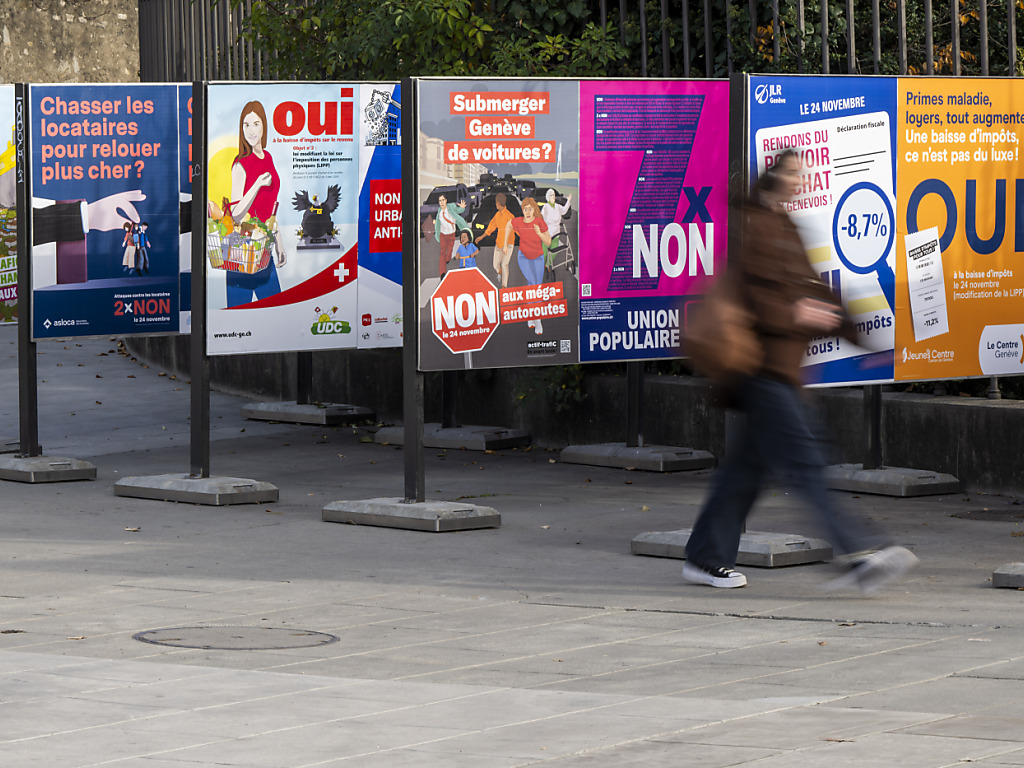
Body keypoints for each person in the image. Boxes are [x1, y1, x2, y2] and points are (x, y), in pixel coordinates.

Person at [682, 149, 918, 595]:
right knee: (807, 463)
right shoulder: (752, 225)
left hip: (780, 371)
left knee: (745, 472)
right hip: (759, 367)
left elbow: (815, 289)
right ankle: (857, 554)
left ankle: (704, 557)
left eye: (801, 173)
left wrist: (862, 338)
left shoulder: (785, 225)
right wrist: (796, 314)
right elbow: (754, 299)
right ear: (773, 176)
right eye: (792, 173)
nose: (799, 180)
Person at [225, 100, 286, 306]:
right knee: (237, 317)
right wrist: (257, 184)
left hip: (264, 252)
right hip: (240, 253)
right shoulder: (240, 164)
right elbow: (235, 213)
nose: (251, 130)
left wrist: (279, 244)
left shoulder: (268, 157)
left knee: (275, 313)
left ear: (264, 126)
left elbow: (270, 209)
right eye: (246, 125)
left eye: (256, 124)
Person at [504, 196, 550, 334]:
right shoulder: (519, 221)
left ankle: (532, 316)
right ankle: (537, 320)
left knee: (536, 287)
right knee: (533, 285)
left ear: (534, 210)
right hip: (523, 257)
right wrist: (505, 244)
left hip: (538, 258)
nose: (528, 212)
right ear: (522, 210)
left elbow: (548, 242)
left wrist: (539, 233)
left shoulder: (539, 222)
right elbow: (508, 225)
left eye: (530, 209)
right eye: (525, 209)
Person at [477, 193, 515, 288]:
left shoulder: (510, 216)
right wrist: (481, 237)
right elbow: (490, 228)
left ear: (498, 203)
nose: (495, 205)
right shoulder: (497, 215)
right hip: (499, 244)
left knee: (505, 265)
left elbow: (517, 230)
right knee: (495, 265)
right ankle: (499, 272)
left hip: (509, 244)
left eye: (496, 203)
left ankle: (504, 286)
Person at [433, 193, 468, 277]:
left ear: (446, 201)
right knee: (442, 252)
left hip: (451, 235)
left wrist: (462, 208)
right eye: (440, 201)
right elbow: (438, 223)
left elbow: (458, 210)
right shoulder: (439, 212)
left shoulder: (451, 207)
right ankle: (442, 273)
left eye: (443, 200)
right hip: (443, 235)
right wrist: (435, 223)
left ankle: (448, 258)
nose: (441, 202)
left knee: (449, 251)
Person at [540, 188, 572, 273]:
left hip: (556, 232)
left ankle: (548, 264)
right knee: (544, 252)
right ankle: (540, 266)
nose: (553, 197)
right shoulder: (546, 207)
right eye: (551, 195)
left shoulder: (558, 206)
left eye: (554, 195)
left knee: (554, 251)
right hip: (547, 232)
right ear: (548, 197)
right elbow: (541, 216)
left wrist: (568, 201)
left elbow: (564, 211)